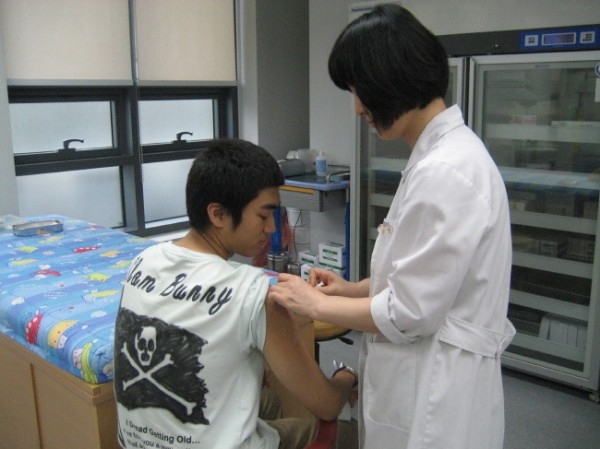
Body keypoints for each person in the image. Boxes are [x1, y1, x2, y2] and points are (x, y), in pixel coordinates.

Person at [268, 5, 516, 449]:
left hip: (436, 392)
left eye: (358, 89)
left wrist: (316, 304)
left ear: (392, 77)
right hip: (425, 373)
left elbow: (409, 312)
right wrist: (350, 290)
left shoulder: (447, 171)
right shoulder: (438, 158)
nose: (357, 107)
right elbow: (422, 278)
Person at [113, 138, 358, 449]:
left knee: (269, 401)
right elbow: (326, 404)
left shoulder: (142, 261)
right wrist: (347, 376)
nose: (271, 228)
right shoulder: (252, 291)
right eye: (263, 216)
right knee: (348, 434)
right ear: (218, 214)